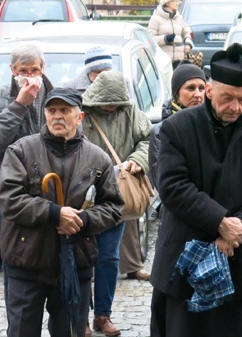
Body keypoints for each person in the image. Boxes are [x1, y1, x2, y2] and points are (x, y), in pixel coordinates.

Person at [150, 43, 242, 337]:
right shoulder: (177, 127)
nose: (235, 107)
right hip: (184, 260)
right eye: (227, 98)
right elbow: (172, 186)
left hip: (238, 260)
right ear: (209, 91)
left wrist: (240, 227)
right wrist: (220, 222)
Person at [0, 88, 123, 337]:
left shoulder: (99, 159)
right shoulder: (21, 150)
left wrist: (83, 220)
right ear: (44, 114)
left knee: (69, 332)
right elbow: (9, 199)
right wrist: (54, 213)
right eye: (52, 110)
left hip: (76, 261)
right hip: (27, 259)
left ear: (80, 117)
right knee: (22, 331)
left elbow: (114, 207)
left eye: (65, 111)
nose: (57, 116)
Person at [80, 70, 152, 336]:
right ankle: (81, 318)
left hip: (116, 195)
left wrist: (137, 160)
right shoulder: (82, 112)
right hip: (84, 198)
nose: (111, 107)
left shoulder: (130, 110)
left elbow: (147, 139)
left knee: (109, 258)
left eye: (115, 103)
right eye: (107, 103)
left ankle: (102, 315)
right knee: (82, 259)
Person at [0, 43, 54, 198]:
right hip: (12, 189)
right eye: (23, 71)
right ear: (13, 70)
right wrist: (18, 106)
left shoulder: (57, 98)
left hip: (51, 186)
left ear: (43, 68)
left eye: (35, 70)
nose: (30, 77)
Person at [149, 60, 206, 191]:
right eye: (190, 88)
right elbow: (162, 181)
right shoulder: (160, 131)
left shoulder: (215, 125)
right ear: (177, 96)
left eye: (201, 88)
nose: (197, 94)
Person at [147, 0, 194, 68]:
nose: (177, 3)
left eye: (178, 1)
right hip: (163, 62)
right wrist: (165, 39)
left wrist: (188, 43)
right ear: (167, 3)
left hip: (180, 61)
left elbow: (186, 32)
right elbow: (150, 39)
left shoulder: (179, 18)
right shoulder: (155, 18)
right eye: (175, 1)